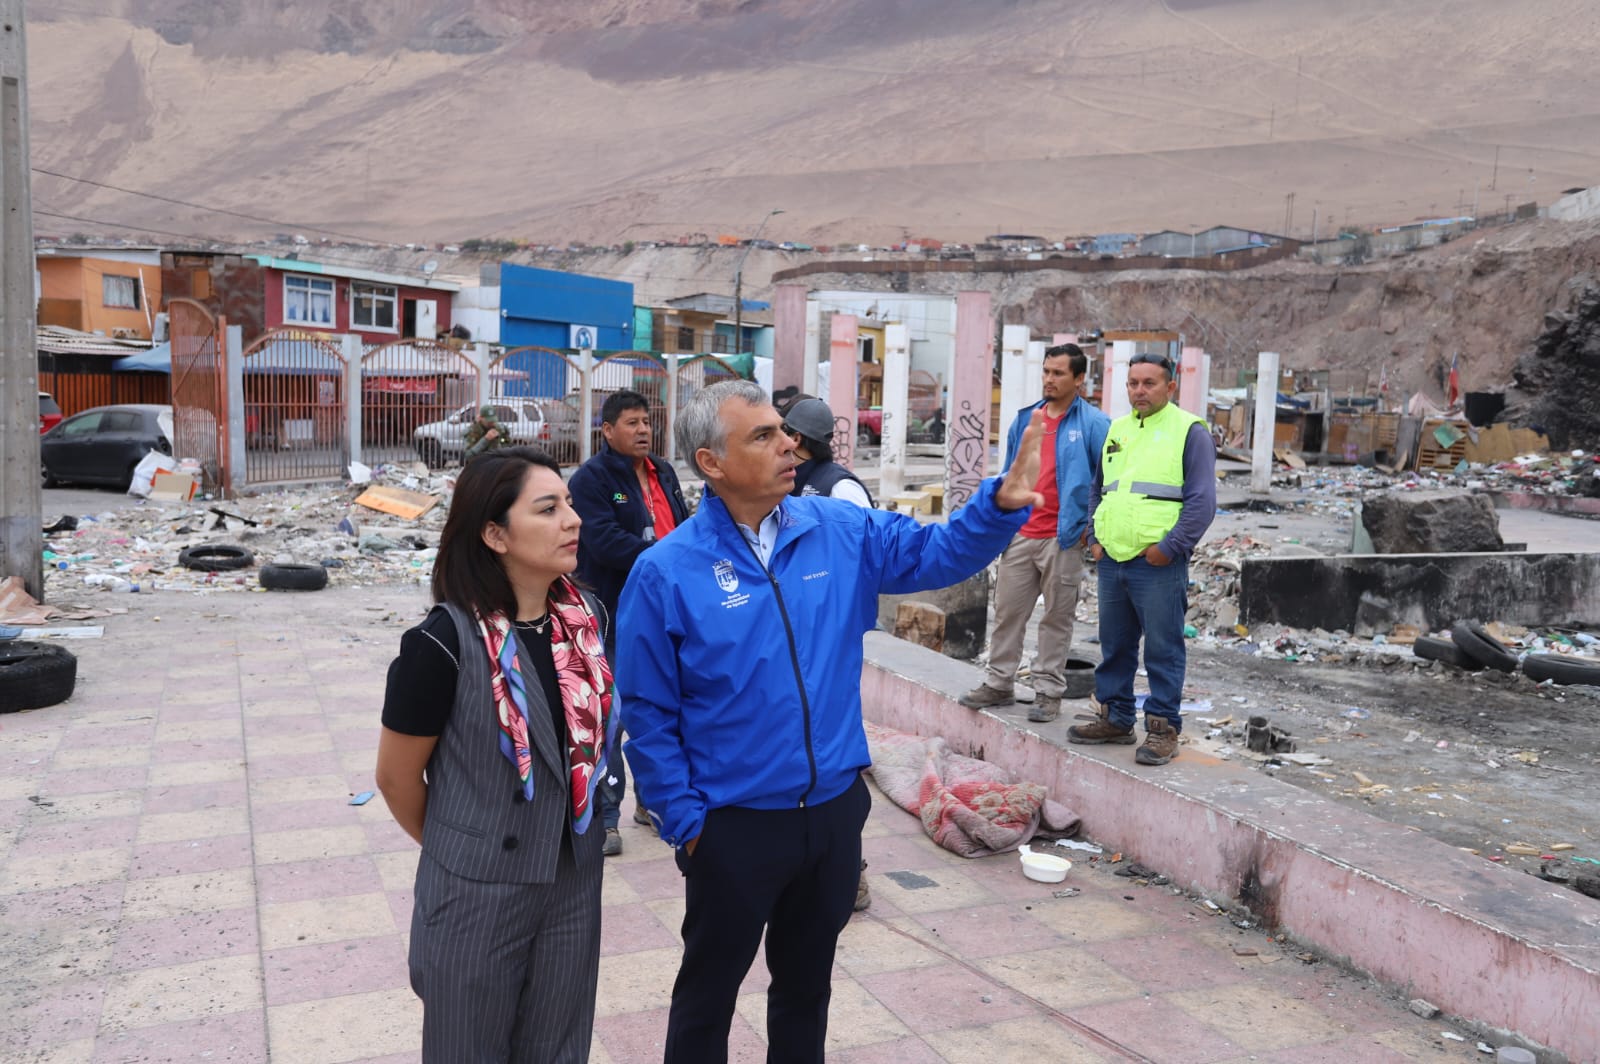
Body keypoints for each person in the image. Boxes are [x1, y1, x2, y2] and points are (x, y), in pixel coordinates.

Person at [618, 379, 1045, 1064]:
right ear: (711, 463)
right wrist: (687, 823)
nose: (788, 445)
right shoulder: (665, 572)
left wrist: (999, 507)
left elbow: (938, 553)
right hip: (732, 825)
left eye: (783, 430)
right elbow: (647, 711)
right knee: (707, 997)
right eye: (763, 436)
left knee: (805, 990)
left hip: (831, 816)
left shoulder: (840, 531)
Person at [375, 446, 616, 1063]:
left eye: (568, 504)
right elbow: (397, 779)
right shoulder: (441, 643)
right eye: (548, 509)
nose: (573, 520)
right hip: (477, 892)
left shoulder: (584, 622)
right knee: (467, 1049)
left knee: (558, 1049)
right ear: (495, 534)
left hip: (571, 878)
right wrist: (471, 846)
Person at [1067, 353, 1217, 766]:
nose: (1139, 391)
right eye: (1133, 383)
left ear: (1171, 387)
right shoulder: (1118, 429)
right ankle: (1116, 718)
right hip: (1112, 559)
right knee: (1115, 646)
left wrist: (1168, 548)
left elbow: (1202, 502)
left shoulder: (1190, 431)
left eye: (1149, 383)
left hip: (1157, 564)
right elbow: (1100, 488)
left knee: (1163, 650)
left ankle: (1163, 729)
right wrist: (1095, 538)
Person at [959, 343, 1110, 724]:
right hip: (1021, 533)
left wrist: (1089, 530)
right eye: (1046, 371)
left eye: (1058, 373)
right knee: (1008, 612)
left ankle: (1048, 692)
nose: (1049, 379)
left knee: (1057, 619)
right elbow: (1010, 474)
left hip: (1063, 537)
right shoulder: (1026, 419)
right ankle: (999, 683)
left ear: (1079, 378)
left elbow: (1107, 482)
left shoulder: (1094, 424)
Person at [569, 389, 690, 856]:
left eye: (647, 422)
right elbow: (603, 542)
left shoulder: (664, 471)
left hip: (667, 612)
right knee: (611, 716)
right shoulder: (591, 479)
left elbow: (683, 525)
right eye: (632, 423)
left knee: (664, 710)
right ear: (607, 430)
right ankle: (605, 818)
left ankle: (652, 801)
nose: (643, 430)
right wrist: (667, 556)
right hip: (614, 613)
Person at [778, 395, 875, 912]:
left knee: (831, 754)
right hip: (787, 637)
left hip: (826, 639)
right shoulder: (782, 480)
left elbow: (866, 556)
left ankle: (851, 870)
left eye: (783, 433)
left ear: (798, 439)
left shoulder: (840, 488)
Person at [780, 395, 874, 506]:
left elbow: (864, 517)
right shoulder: (785, 479)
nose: (774, 441)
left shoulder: (841, 488)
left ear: (796, 439)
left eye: (780, 433)